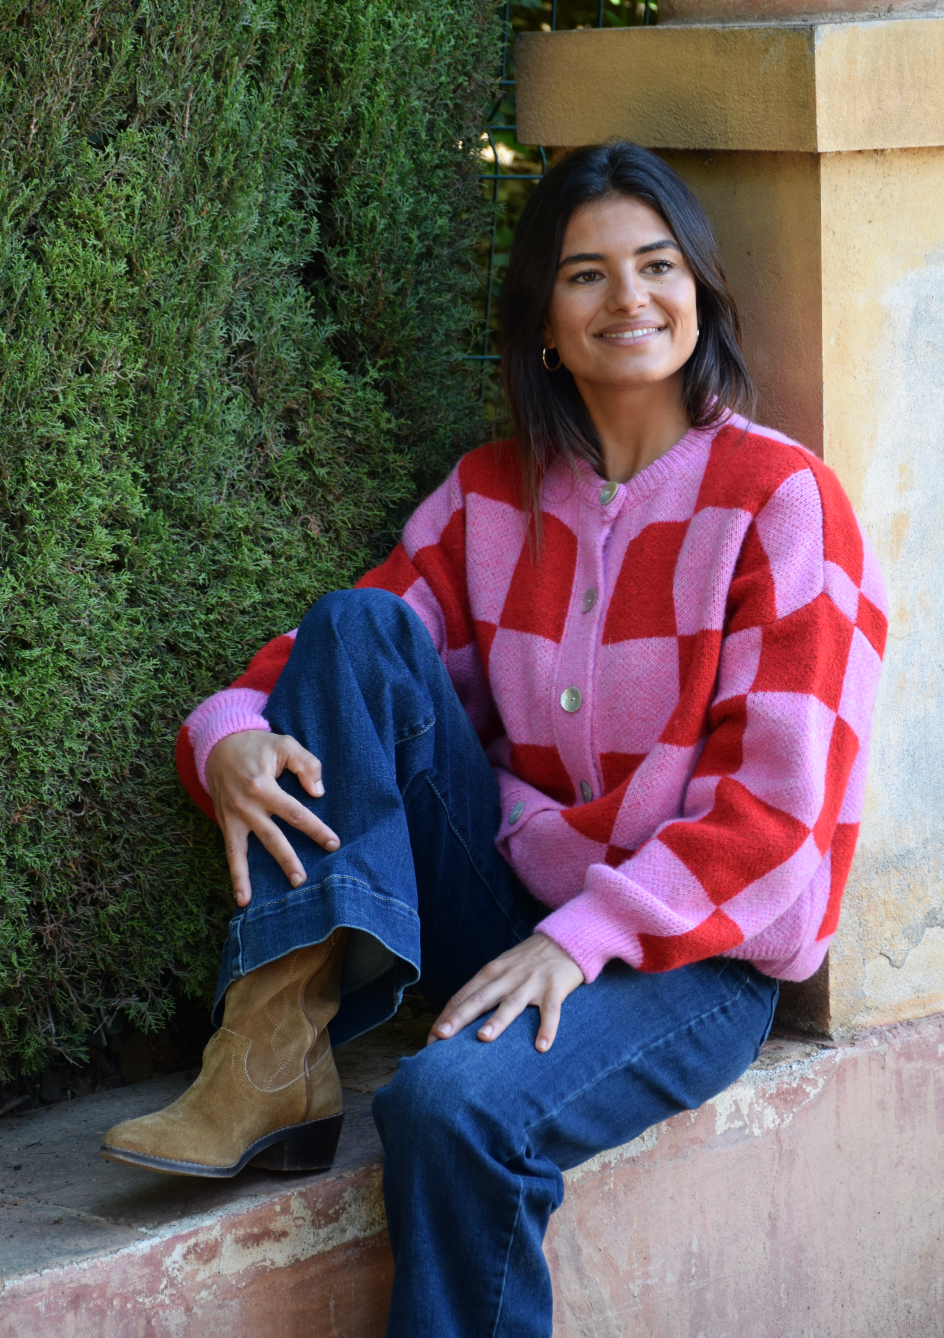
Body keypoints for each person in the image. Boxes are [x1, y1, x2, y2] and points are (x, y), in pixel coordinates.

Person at [100, 142, 886, 1336]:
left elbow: (775, 818)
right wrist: (223, 733)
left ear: (698, 291)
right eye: (585, 275)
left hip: (688, 956)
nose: (627, 298)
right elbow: (345, 659)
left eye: (656, 266)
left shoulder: (778, 501)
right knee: (356, 623)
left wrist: (584, 938)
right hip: (508, 905)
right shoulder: (487, 492)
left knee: (449, 1105)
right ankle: (269, 1050)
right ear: (543, 323)